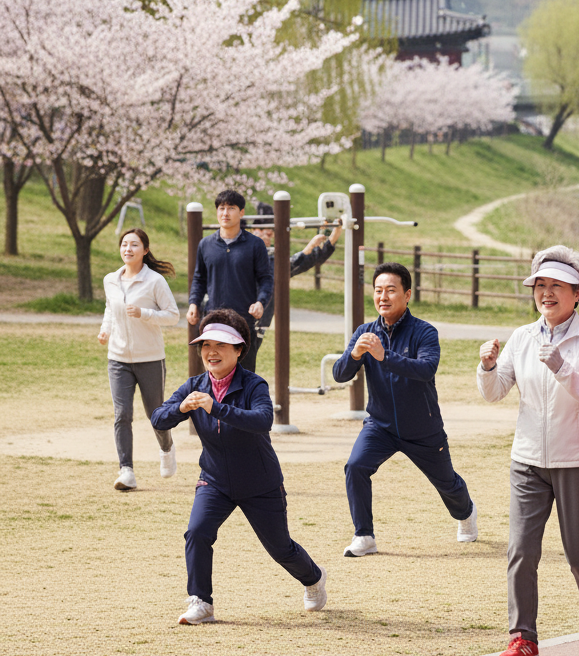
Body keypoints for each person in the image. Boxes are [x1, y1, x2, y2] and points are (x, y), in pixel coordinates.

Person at [478, 246, 579, 656]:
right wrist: (487, 367)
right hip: (527, 460)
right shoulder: (522, 337)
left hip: (578, 460)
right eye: (540, 285)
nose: (546, 293)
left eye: (557, 285)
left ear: (578, 292)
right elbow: (495, 392)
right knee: (521, 550)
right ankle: (523, 638)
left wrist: (561, 366)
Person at [151, 309, 326, 624]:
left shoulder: (253, 385)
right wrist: (180, 408)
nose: (211, 352)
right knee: (197, 532)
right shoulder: (194, 385)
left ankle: (313, 578)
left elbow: (262, 420)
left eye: (221, 345)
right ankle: (201, 602)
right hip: (215, 480)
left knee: (281, 549)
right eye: (206, 345)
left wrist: (216, 408)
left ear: (239, 350)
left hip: (260, 482)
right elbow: (158, 418)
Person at [333, 262, 477, 557]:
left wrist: (384, 356)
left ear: (407, 294)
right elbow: (339, 374)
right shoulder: (365, 332)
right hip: (380, 426)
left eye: (390, 290)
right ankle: (364, 536)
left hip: (423, 428)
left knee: (447, 483)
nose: (383, 297)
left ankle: (466, 513)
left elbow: (426, 369)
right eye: (378, 290)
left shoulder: (424, 332)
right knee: (356, 466)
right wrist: (355, 354)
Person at [99, 228, 181, 492]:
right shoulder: (111, 280)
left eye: (134, 244)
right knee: (122, 414)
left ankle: (166, 448)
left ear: (145, 250)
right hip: (118, 358)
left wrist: (145, 313)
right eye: (124, 244)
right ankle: (127, 471)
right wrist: (105, 330)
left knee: (155, 413)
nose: (128, 249)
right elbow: (110, 309)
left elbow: (173, 315)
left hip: (150, 358)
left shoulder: (155, 281)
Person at [187, 190, 272, 373]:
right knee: (214, 375)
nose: (225, 213)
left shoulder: (255, 244)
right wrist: (193, 303)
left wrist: (260, 302)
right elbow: (199, 278)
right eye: (221, 208)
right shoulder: (205, 245)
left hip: (243, 320)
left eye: (231, 208)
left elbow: (265, 279)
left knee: (245, 377)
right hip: (213, 320)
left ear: (241, 212)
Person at [250, 201, 341, 357]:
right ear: (253, 230)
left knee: (247, 361)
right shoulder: (245, 252)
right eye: (262, 231)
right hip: (239, 317)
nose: (267, 235)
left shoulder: (273, 258)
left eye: (270, 232)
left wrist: (332, 235)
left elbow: (297, 263)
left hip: (260, 321)